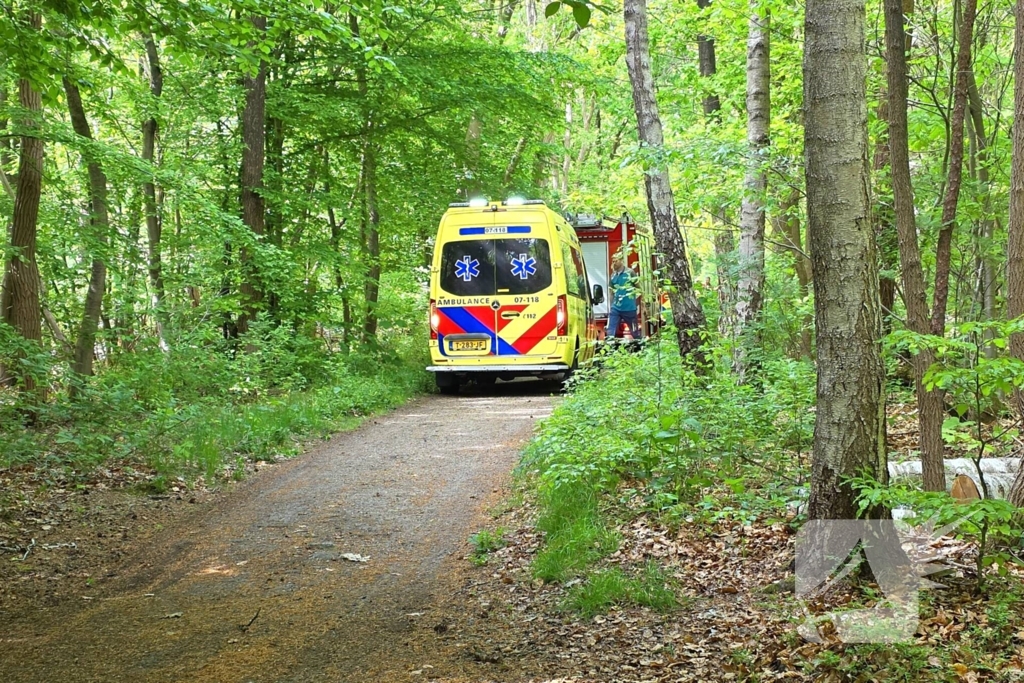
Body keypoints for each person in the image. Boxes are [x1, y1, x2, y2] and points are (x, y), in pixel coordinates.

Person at [608, 257, 643, 339]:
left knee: (635, 332)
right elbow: (611, 292)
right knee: (610, 331)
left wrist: (637, 302)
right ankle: (610, 346)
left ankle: (639, 347)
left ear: (621, 261)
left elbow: (639, 288)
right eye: (613, 261)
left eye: (616, 261)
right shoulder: (613, 275)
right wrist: (611, 306)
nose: (614, 263)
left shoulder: (630, 272)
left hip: (629, 309)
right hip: (616, 308)